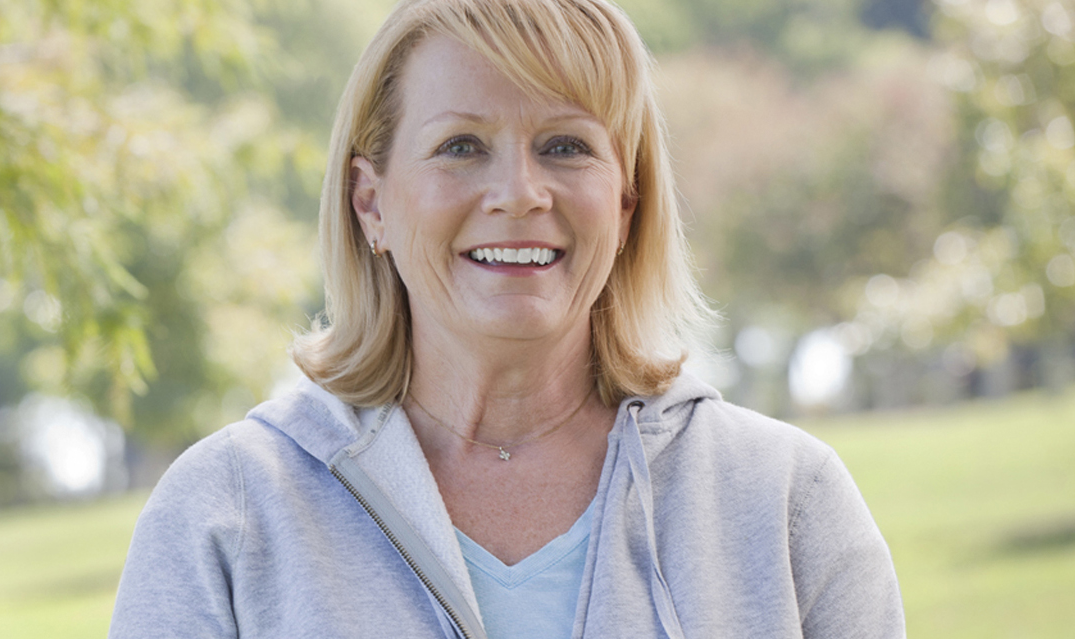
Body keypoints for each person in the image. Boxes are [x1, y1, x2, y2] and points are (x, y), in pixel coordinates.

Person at [109, 0, 904, 637]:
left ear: (625, 204)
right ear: (371, 202)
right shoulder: (226, 511)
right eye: (461, 146)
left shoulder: (785, 499)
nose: (520, 193)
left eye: (565, 146)